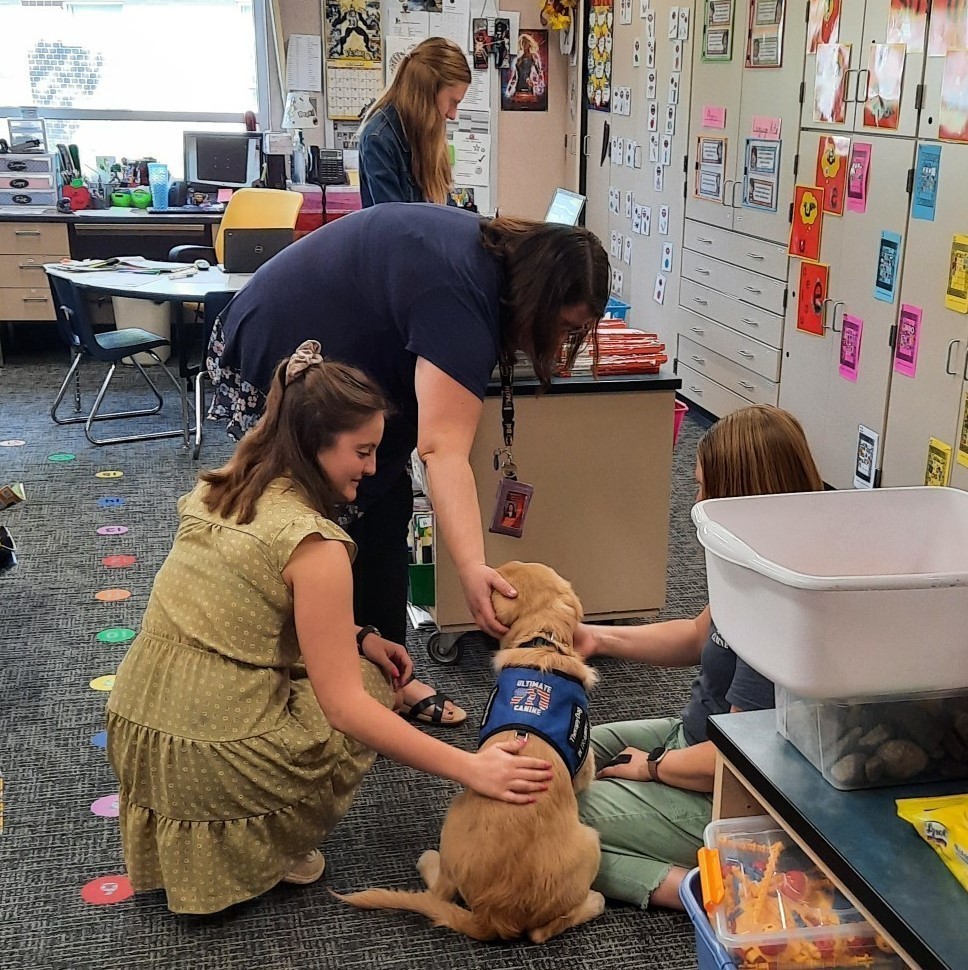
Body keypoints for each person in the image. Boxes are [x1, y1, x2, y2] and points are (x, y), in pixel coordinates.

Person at [106, 341, 555, 915]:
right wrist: (472, 768)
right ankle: (271, 847)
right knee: (369, 686)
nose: (372, 469)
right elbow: (345, 710)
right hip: (213, 757)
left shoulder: (218, 488)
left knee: (344, 657)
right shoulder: (317, 546)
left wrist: (360, 635)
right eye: (362, 452)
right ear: (314, 444)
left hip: (139, 725)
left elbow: (243, 612)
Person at [207, 203, 608, 723]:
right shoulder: (461, 295)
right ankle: (320, 685)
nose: (559, 342)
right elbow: (442, 449)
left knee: (383, 503)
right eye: (562, 324)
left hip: (351, 360)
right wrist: (470, 568)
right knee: (308, 530)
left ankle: (387, 676)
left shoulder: (497, 255)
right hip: (277, 348)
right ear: (540, 295)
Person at [573, 405, 823, 911]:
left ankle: (711, 889)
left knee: (547, 821)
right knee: (554, 750)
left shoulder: (781, 605)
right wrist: (596, 638)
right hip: (691, 736)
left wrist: (654, 768)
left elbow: (740, 758)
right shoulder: (752, 562)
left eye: (706, 489)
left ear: (743, 496)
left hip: (727, 795)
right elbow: (694, 636)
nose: (698, 503)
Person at [357, 37, 471, 207]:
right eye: (453, 102)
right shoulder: (379, 139)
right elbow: (395, 226)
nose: (453, 115)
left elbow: (445, 210)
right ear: (427, 94)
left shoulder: (428, 134)